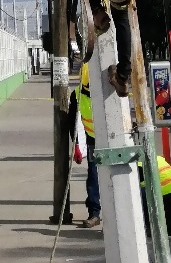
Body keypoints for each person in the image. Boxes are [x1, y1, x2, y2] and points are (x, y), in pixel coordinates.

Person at [67, 61, 101, 228]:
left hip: (113, 138)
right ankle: (94, 213)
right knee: (94, 175)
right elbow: (72, 122)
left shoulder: (106, 90)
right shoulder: (77, 94)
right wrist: (77, 146)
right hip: (93, 139)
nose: (90, 93)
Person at [139, 154, 171, 237]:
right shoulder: (155, 157)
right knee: (163, 230)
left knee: (134, 194)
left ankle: (146, 226)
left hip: (165, 197)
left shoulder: (135, 166)